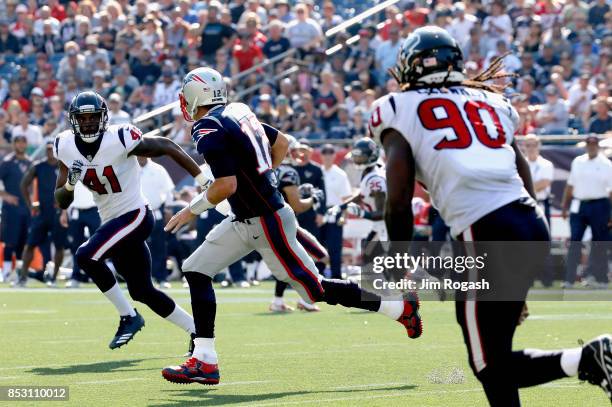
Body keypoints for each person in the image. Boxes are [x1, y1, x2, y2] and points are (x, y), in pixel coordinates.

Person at [371, 26, 612, 406]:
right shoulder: (491, 102)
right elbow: (521, 170)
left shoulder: (396, 108)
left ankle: (590, 358)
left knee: (489, 364)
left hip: (484, 229)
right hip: (528, 222)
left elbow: (398, 199)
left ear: (412, 67)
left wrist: (397, 262)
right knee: (496, 348)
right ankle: (588, 359)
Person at [161, 67, 422, 385]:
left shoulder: (207, 127)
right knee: (196, 269)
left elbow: (226, 186)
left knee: (315, 291)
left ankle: (398, 308)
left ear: (195, 95)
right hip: (247, 218)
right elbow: (282, 142)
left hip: (267, 220)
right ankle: (204, 360)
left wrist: (192, 209)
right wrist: (263, 174)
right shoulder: (239, 110)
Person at [54, 91, 206, 350]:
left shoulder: (120, 137)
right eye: (84, 118)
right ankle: (197, 332)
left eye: (94, 118)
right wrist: (70, 183)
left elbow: (167, 146)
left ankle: (129, 316)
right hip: (112, 222)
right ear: (74, 120)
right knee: (142, 290)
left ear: (104, 119)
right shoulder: (65, 145)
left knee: (86, 256)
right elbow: (61, 201)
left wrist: (202, 180)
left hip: (135, 216)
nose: (89, 123)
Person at [270, 136, 326, 312]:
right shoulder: (289, 172)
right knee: (321, 257)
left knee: (287, 264)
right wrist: (313, 198)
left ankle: (278, 302)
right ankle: (308, 300)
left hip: (269, 224)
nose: (296, 154)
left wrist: (297, 193)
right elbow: (297, 206)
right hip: (286, 224)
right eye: (293, 150)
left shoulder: (268, 170)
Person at [561, 135, 612, 289]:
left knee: (599, 243)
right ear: (586, 146)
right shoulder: (578, 162)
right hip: (579, 204)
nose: (591, 147)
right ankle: (569, 279)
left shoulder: (606, 164)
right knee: (575, 242)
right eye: (589, 144)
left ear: (598, 146)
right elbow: (570, 185)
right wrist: (565, 206)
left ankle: (601, 278)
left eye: (594, 144)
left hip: (599, 204)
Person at [17, 139, 68, 287]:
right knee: (30, 244)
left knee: (59, 246)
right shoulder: (38, 166)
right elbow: (23, 184)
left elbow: (70, 186)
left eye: (52, 149)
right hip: (42, 212)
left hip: (58, 212)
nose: (50, 152)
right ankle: (23, 278)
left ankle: (52, 277)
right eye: (47, 150)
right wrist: (30, 205)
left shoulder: (64, 166)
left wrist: (64, 205)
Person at [138, 156, 175, 288]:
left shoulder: (158, 169)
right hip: (135, 213)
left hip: (155, 211)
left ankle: (162, 277)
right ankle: (139, 278)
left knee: (159, 245)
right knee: (137, 248)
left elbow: (168, 191)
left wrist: (169, 208)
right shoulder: (130, 168)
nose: (140, 156)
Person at [0, 134, 31, 283]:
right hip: (11, 209)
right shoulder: (7, 162)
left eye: (23, 142)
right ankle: (5, 272)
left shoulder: (30, 162)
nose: (20, 145)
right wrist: (5, 195)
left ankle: (18, 273)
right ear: (14, 145)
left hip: (27, 208)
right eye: (18, 142)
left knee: (23, 242)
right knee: (10, 241)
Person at [320, 143, 352, 279]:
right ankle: (317, 276)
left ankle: (336, 277)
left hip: (335, 211)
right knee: (317, 247)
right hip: (319, 212)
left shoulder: (340, 174)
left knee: (334, 248)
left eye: (330, 153)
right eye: (325, 153)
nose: (327, 156)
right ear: (321, 155)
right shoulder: (317, 171)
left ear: (334, 155)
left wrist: (344, 216)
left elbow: (346, 198)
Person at [64, 181, 100, 288]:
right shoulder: (72, 167)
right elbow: (66, 190)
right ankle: (75, 276)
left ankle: (98, 276)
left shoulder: (96, 166)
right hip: (76, 210)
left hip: (94, 209)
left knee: (97, 244)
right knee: (75, 246)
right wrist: (63, 212)